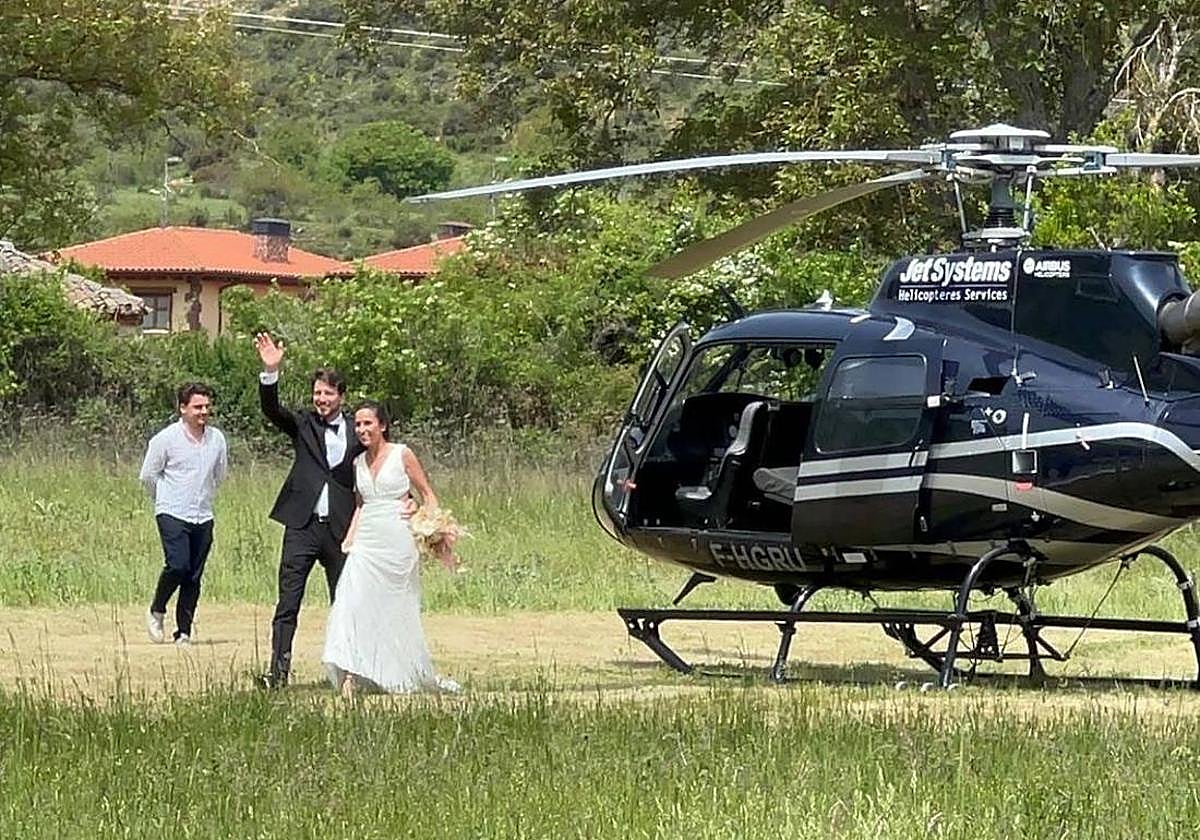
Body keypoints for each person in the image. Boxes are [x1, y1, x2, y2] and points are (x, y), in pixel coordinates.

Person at [322, 401, 459, 698]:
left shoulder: (402, 454)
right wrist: (350, 538)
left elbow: (428, 494)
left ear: (382, 425)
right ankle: (349, 672)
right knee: (349, 600)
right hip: (367, 541)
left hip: (397, 540)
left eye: (368, 423)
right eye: (357, 425)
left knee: (391, 608)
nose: (362, 430)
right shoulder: (357, 463)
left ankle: (392, 671)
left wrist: (424, 519)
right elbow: (360, 505)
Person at [255, 332, 364, 688]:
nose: (321, 399)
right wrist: (270, 372)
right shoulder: (303, 423)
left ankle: (346, 673)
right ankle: (278, 674)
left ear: (341, 397)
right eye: (317, 393)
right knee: (288, 603)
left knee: (345, 604)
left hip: (341, 529)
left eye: (328, 393)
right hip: (301, 527)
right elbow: (272, 410)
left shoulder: (356, 430)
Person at [139, 382, 229, 647]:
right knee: (178, 565)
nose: (203, 412)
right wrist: (165, 499)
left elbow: (220, 474)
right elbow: (147, 475)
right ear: (183, 408)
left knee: (193, 575)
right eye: (197, 407)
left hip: (202, 514)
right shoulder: (166, 439)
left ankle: (184, 632)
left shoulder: (216, 439)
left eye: (206, 407)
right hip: (171, 511)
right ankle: (157, 609)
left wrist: (204, 495)